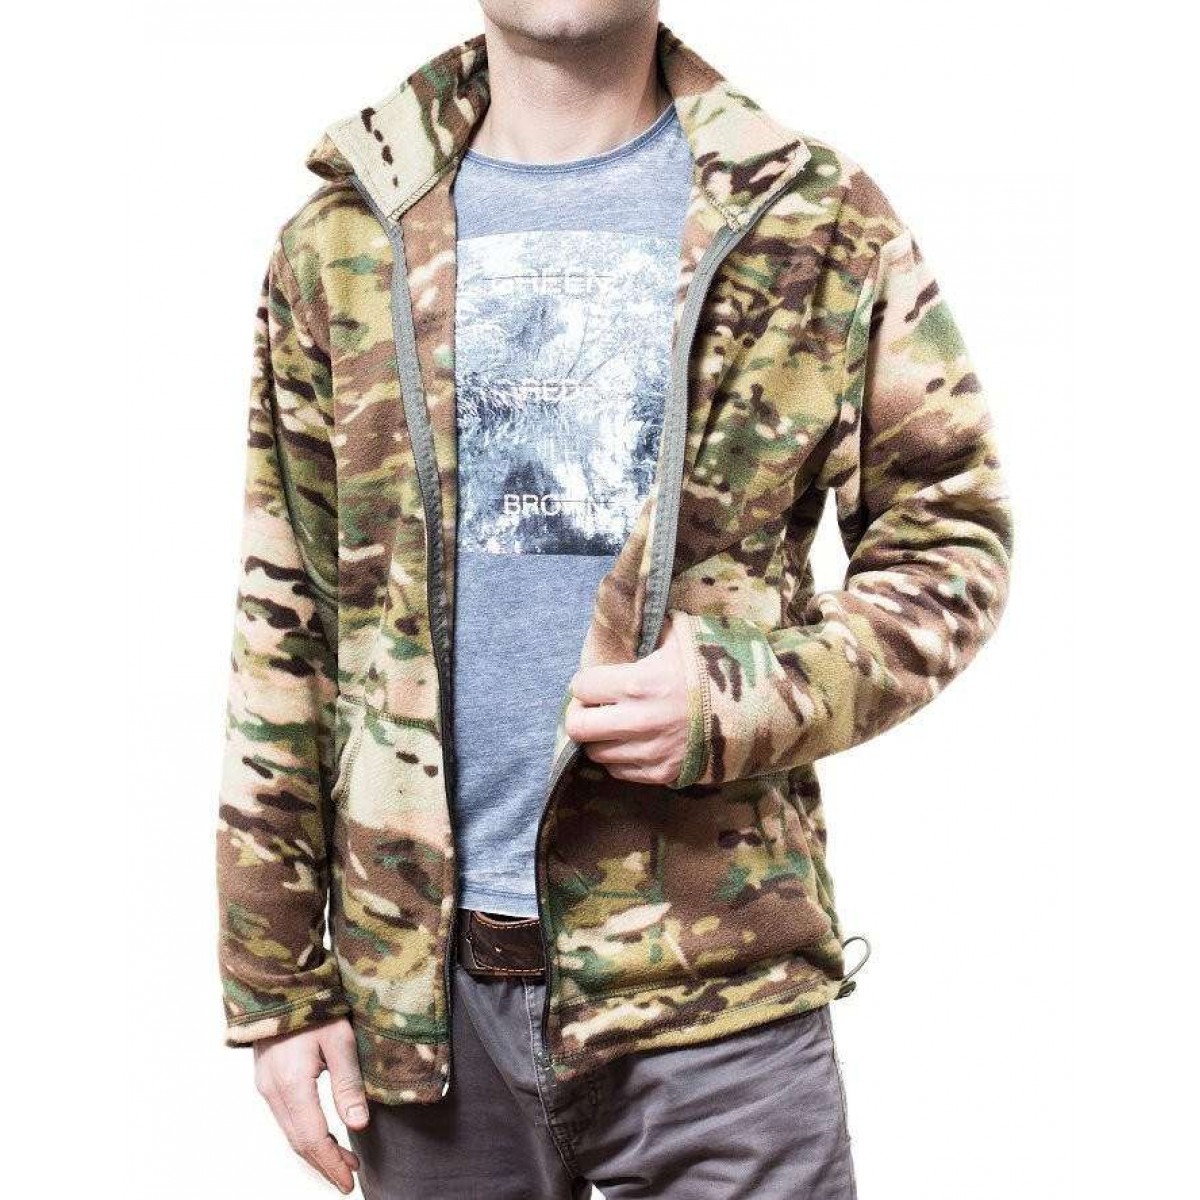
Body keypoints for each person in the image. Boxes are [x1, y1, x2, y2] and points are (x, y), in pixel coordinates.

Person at [215, 3, 1013, 1196]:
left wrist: (745, 693)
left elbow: (950, 537)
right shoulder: (340, 237)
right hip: (419, 1008)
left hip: (718, 993)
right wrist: (276, 982)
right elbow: (289, 620)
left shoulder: (814, 217)